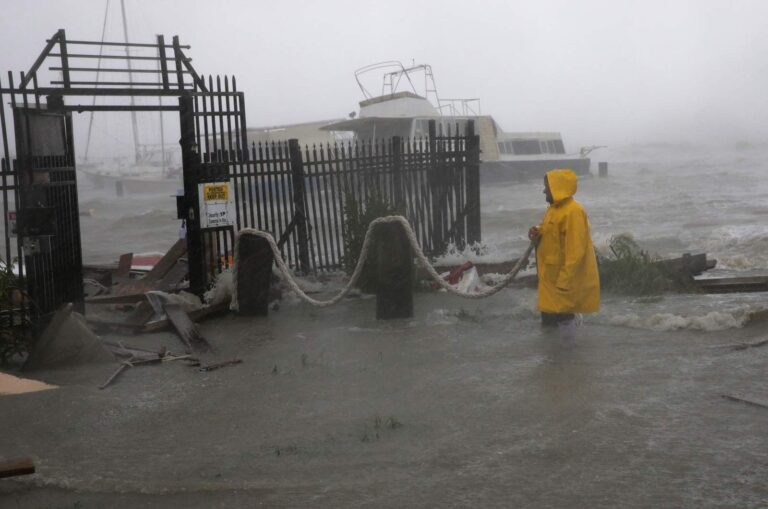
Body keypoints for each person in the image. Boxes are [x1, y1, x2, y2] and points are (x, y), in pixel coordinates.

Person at [528, 169, 600, 331]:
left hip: (561, 282)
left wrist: (564, 282)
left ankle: (569, 354)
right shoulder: (554, 209)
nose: (544, 190)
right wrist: (537, 231)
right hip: (550, 280)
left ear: (557, 187)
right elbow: (552, 233)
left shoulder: (573, 211)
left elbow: (576, 251)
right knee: (549, 324)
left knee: (564, 323)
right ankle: (554, 355)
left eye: (547, 186)